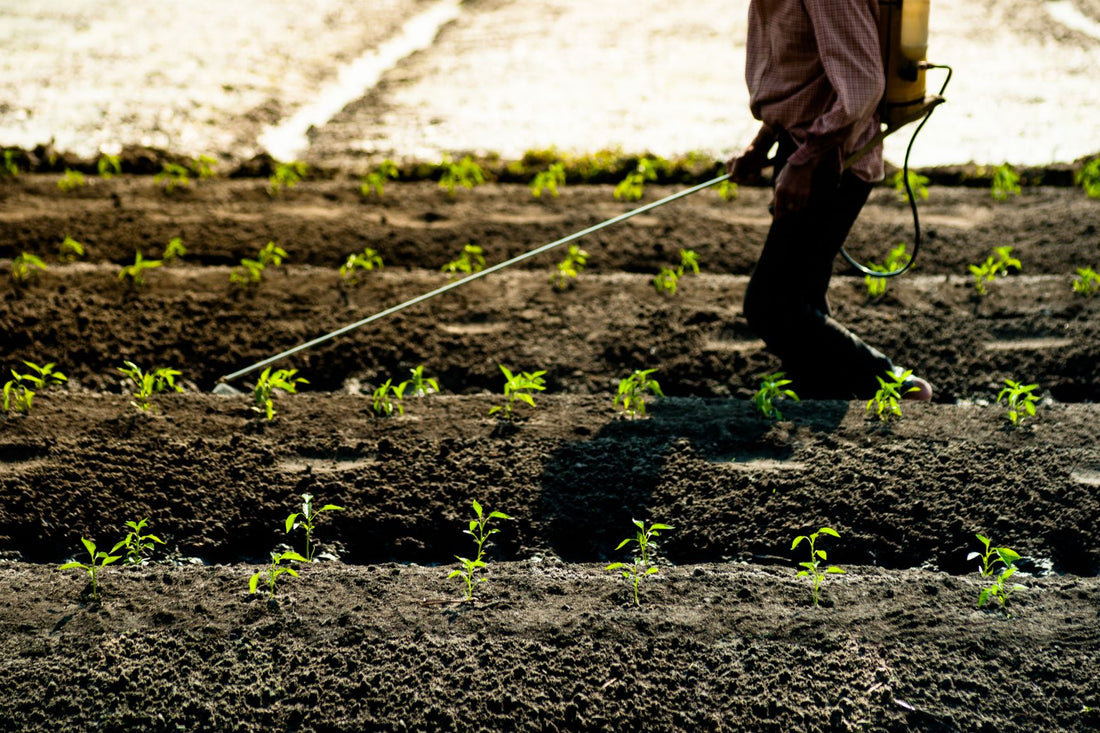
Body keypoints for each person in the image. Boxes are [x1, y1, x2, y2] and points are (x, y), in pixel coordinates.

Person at [725, 0, 933, 401]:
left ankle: (898, 384)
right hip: (805, 149)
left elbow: (862, 87)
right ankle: (820, 400)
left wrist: (803, 163)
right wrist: (761, 144)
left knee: (771, 304)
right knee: (801, 297)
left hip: (832, 159)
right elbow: (805, 76)